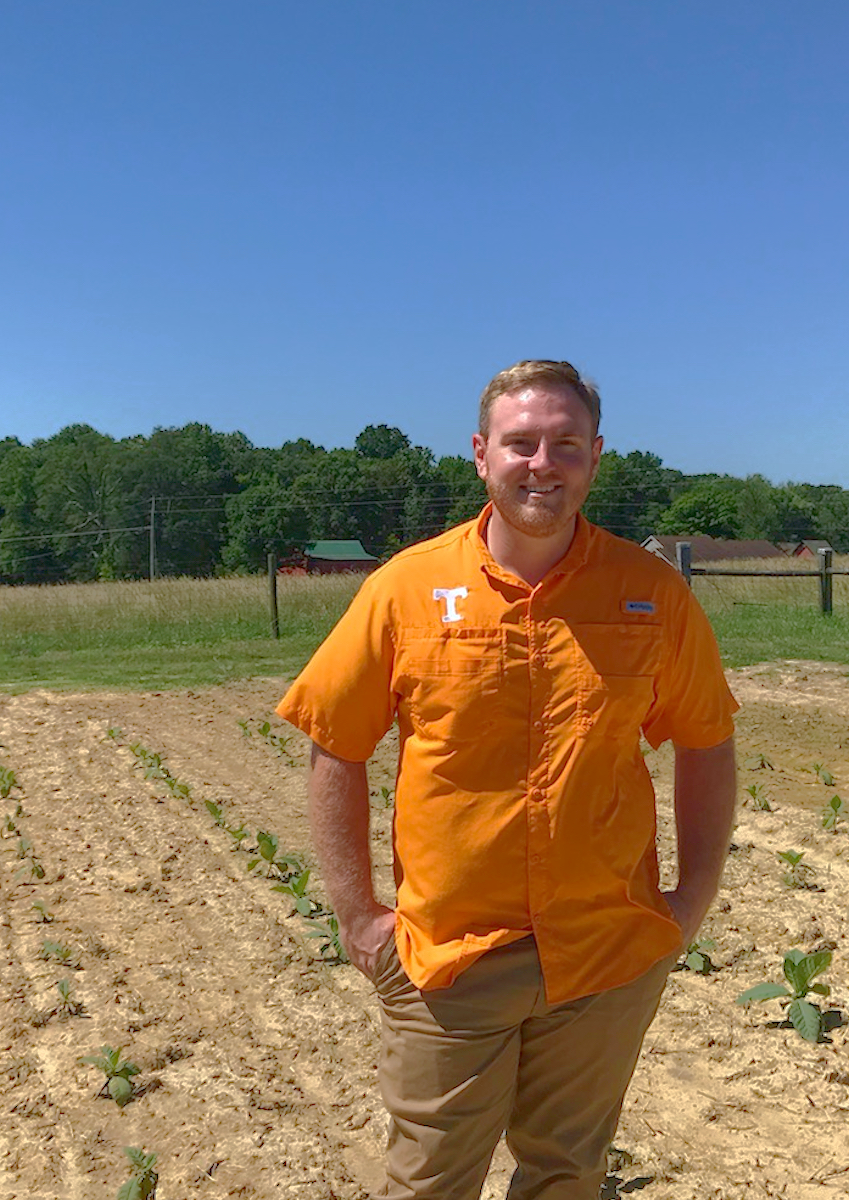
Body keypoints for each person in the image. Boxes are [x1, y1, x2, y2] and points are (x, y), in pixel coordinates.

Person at [276, 360, 740, 1199]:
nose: (543, 463)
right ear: (482, 454)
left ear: (595, 457)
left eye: (565, 444)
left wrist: (692, 896)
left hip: (605, 955)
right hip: (448, 958)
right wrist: (357, 914)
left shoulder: (651, 593)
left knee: (567, 1175)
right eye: (521, 443)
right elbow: (335, 742)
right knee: (428, 1183)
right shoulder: (406, 589)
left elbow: (706, 741)